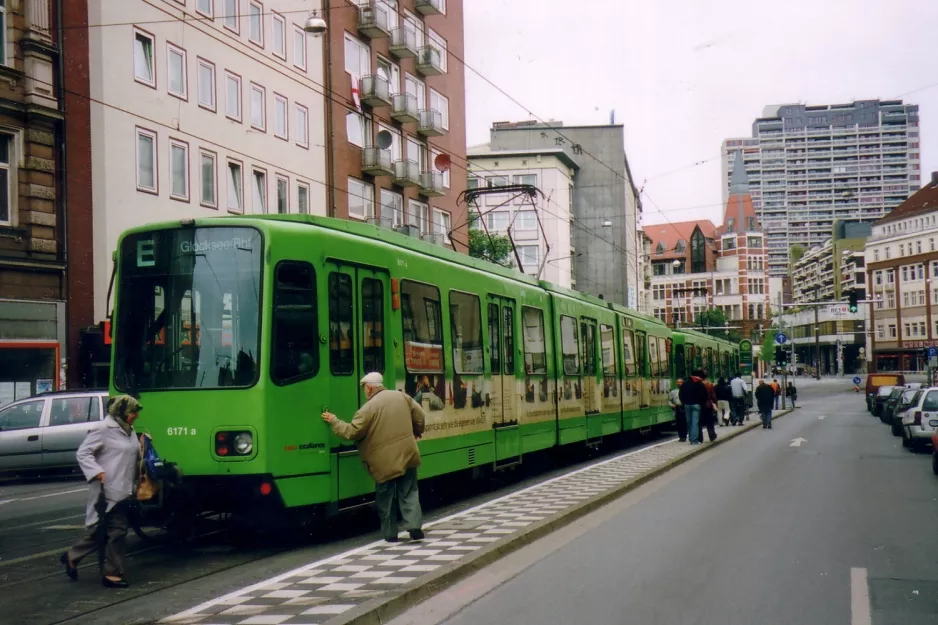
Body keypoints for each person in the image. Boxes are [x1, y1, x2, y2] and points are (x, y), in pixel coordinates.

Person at [323, 372, 427, 543]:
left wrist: (334, 421)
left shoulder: (367, 409)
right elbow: (420, 416)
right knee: (409, 492)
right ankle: (414, 526)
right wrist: (417, 431)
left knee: (385, 499)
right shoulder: (402, 397)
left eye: (364, 387)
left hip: (383, 463)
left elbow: (352, 432)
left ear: (369, 387)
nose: (365, 391)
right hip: (408, 454)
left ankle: (390, 534)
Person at [61, 395, 143, 588]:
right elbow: (83, 452)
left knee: (102, 530)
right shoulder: (104, 429)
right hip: (107, 490)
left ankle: (72, 556)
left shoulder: (128, 430)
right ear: (121, 411)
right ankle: (111, 573)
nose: (135, 416)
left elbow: (132, 454)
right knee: (118, 530)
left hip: (123, 489)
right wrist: (97, 472)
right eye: (133, 412)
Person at [679, 369, 708, 445]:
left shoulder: (685, 383)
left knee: (689, 422)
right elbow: (705, 395)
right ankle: (694, 440)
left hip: (687, 405)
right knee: (695, 422)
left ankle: (691, 438)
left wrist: (683, 403)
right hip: (696, 405)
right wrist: (701, 403)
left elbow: (680, 394)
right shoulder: (700, 383)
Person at [700, 371, 718, 442]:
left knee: (699, 422)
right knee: (710, 421)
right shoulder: (709, 384)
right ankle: (712, 435)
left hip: (700, 404)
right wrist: (715, 402)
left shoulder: (697, 384)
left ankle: (700, 438)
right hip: (708, 404)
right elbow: (713, 395)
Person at [668, 378, 686, 442]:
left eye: (680, 382)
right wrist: (672, 405)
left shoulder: (685, 390)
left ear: (683, 383)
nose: (679, 383)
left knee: (684, 422)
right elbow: (669, 400)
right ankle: (681, 436)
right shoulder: (673, 392)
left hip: (684, 407)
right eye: (678, 382)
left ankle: (684, 436)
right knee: (678, 423)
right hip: (677, 408)